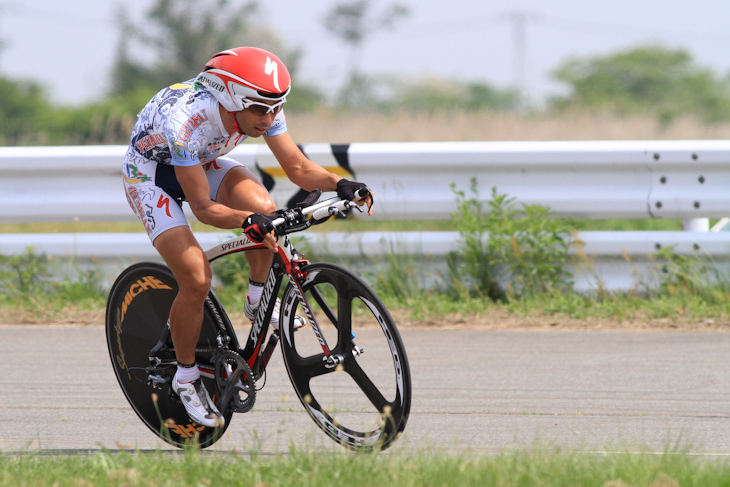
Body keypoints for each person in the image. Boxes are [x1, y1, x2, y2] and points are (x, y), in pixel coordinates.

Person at [122, 47, 373, 428]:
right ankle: (186, 377)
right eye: (260, 110)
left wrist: (340, 183)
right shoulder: (186, 122)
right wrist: (247, 221)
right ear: (229, 97)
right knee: (195, 276)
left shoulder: (261, 102)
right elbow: (204, 209)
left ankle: (258, 299)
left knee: (265, 206)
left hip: (200, 159)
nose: (269, 118)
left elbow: (297, 166)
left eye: (276, 108)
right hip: (151, 175)